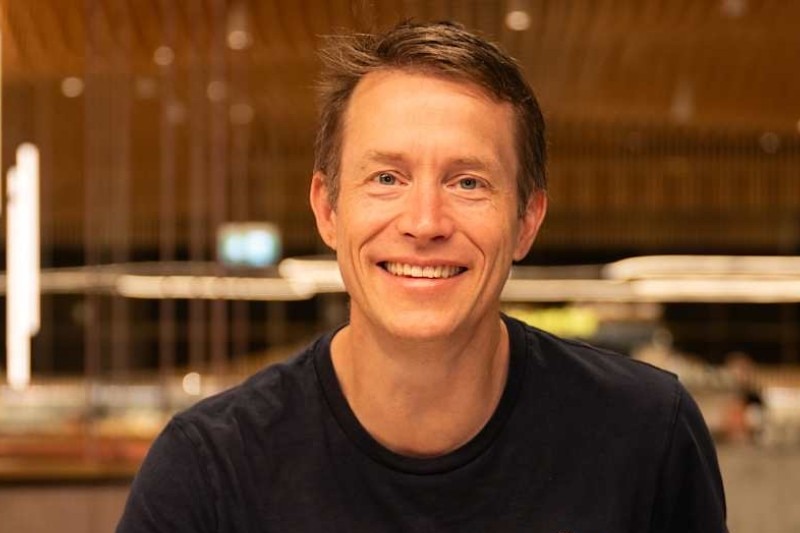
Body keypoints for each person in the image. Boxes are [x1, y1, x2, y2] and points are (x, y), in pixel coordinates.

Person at [118, 21, 727, 532]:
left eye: (468, 182)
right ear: (328, 209)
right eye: (387, 177)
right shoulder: (208, 470)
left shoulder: (646, 435)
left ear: (526, 221)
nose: (425, 222)